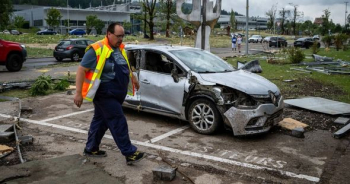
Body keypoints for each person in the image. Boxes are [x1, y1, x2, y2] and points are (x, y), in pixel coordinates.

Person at [74, 23, 145, 165]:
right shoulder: (96, 49)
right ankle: (129, 152)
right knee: (118, 120)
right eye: (118, 36)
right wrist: (78, 93)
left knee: (101, 121)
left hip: (117, 93)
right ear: (109, 34)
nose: (121, 39)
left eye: (122, 36)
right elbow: (81, 70)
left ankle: (91, 148)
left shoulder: (120, 49)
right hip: (105, 93)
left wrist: (134, 78)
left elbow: (124, 67)